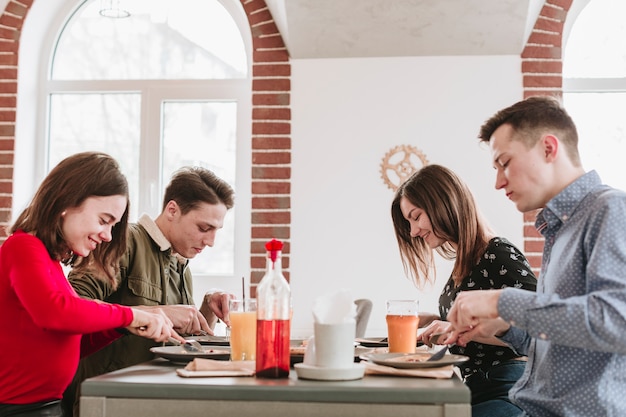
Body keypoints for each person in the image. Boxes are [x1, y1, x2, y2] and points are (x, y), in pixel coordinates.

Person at [446, 96, 626, 416]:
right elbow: (555, 344)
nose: (499, 182)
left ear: (548, 148)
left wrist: (500, 300)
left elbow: (615, 321)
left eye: (504, 162)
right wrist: (502, 328)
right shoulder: (561, 229)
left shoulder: (610, 209)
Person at [0, 152, 182, 417]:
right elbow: (55, 312)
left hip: (44, 407)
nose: (108, 235)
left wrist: (123, 327)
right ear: (67, 201)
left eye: (113, 225)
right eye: (104, 220)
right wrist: (128, 314)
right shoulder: (23, 246)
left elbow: (70, 342)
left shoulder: (50, 262)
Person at [63, 166, 236, 416]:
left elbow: (181, 345)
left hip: (157, 401)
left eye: (216, 231)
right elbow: (73, 307)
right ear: (172, 210)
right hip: (110, 402)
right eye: (203, 228)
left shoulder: (182, 266)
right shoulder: (122, 241)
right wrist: (152, 312)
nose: (211, 242)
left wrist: (207, 308)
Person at [390, 164, 537, 417]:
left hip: (510, 389)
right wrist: (438, 320)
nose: (413, 231)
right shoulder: (467, 259)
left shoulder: (499, 254)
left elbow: (536, 332)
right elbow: (483, 321)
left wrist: (455, 328)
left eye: (416, 217)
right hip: (476, 386)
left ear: (443, 204)